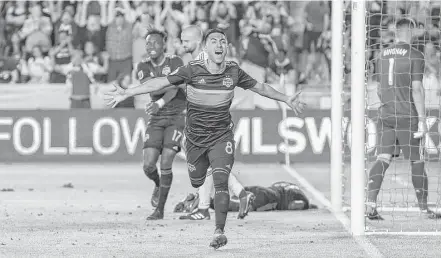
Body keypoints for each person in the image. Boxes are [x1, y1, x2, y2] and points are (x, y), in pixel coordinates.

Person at [104, 28, 305, 249]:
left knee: (220, 180)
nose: (219, 45)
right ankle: (201, 196)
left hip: (221, 136)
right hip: (195, 139)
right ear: (206, 47)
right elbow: (160, 83)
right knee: (197, 179)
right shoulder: (191, 70)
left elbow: (261, 88)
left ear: (226, 47)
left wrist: (286, 98)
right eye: (214, 41)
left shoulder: (233, 72)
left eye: (223, 41)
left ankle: (219, 231)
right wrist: (127, 92)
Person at [366, 18, 440, 220]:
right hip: (408, 116)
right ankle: (424, 208)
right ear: (411, 30)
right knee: (417, 160)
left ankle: (370, 204)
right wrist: (423, 119)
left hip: (386, 114)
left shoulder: (382, 54)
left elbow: (380, 88)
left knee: (383, 158)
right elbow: (417, 89)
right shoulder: (415, 55)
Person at [179, 25, 254, 221]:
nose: (182, 44)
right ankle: (212, 203)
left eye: (186, 41)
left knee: (212, 163)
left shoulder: (203, 61)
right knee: (209, 165)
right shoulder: (195, 62)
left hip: (212, 123)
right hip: (198, 120)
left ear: (198, 42)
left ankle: (222, 200)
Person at [136, 30, 186, 220]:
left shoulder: (175, 61)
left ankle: (160, 210)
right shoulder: (142, 65)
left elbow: (173, 88)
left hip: (177, 115)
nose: (151, 47)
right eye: (148, 44)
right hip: (156, 117)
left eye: (155, 43)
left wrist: (159, 101)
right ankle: (158, 183)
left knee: (166, 161)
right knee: (148, 165)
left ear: (163, 44)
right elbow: (157, 86)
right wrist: (168, 85)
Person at [174, 179, 318, 213]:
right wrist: (304, 207)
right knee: (239, 207)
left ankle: (199, 198)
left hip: (262, 189)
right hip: (270, 199)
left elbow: (279, 183)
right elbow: (294, 205)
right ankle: (208, 202)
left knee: (236, 199)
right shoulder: (303, 200)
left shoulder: (292, 187)